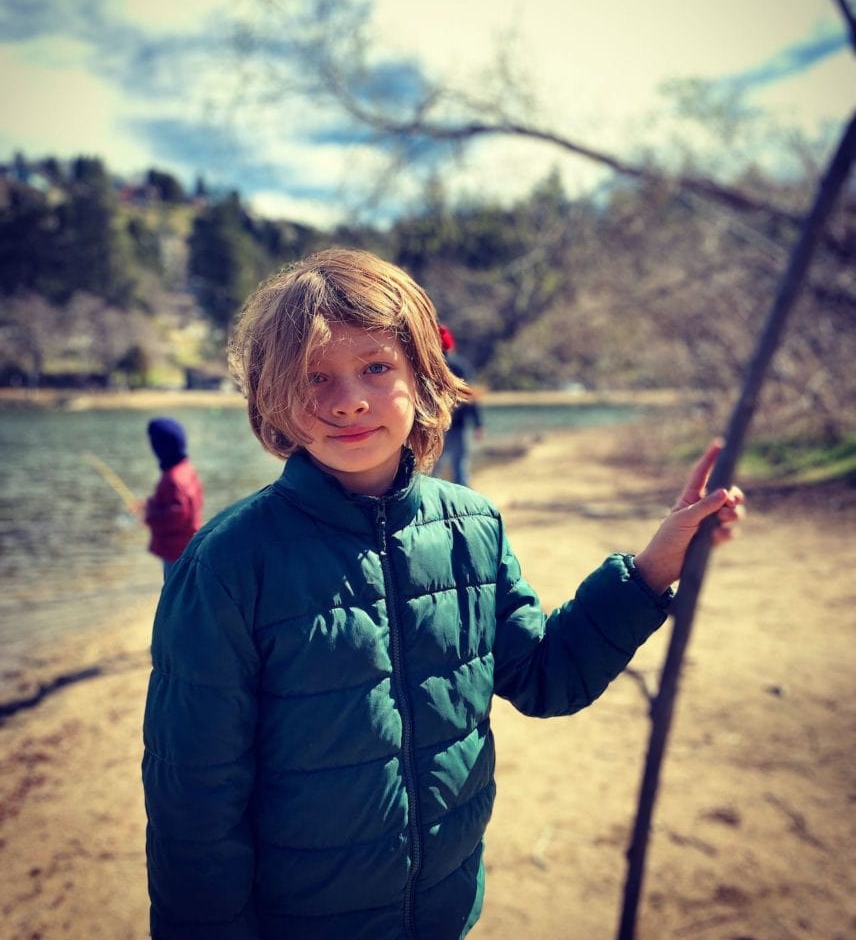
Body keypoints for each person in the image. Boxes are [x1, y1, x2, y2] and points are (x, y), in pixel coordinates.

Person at [142, 248, 744, 940]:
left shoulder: (472, 527)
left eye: (376, 366)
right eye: (314, 376)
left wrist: (650, 570)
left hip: (444, 914)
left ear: (424, 378)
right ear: (273, 397)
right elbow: (194, 806)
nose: (349, 399)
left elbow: (546, 678)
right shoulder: (227, 564)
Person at [142, 417, 204, 579]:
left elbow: (177, 514)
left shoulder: (173, 478)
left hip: (176, 549)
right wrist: (151, 504)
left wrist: (150, 513)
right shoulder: (186, 469)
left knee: (173, 589)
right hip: (189, 542)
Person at [432, 324, 484, 487]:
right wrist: (478, 424)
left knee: (433, 470)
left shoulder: (430, 366)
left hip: (435, 426)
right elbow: (471, 397)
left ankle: (432, 505)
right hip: (459, 425)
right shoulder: (461, 366)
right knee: (460, 466)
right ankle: (463, 505)